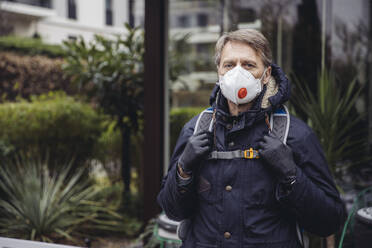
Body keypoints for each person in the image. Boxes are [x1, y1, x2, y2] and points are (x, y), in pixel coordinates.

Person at [157, 29, 345, 248]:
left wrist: (292, 177)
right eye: (229, 65)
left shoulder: (294, 135)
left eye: (248, 65)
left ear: (266, 74)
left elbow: (329, 221)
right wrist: (183, 170)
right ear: (219, 71)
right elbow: (173, 210)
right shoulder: (196, 129)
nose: (238, 73)